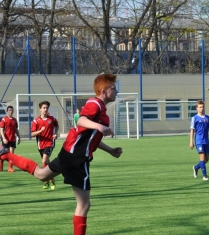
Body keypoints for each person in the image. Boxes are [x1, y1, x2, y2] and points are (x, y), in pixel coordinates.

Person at [0, 74, 123, 235]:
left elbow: (89, 138)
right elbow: (81, 120)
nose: (117, 91)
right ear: (103, 91)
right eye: (113, 88)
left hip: (69, 153)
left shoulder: (101, 108)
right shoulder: (95, 103)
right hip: (77, 158)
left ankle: (4, 154)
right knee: (84, 205)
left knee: (41, 174)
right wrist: (100, 127)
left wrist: (110, 150)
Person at [31, 101, 59, 189]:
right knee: (46, 162)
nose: (45, 109)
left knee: (44, 161)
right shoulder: (36, 121)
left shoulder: (52, 119)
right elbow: (32, 134)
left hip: (50, 143)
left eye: (47, 108)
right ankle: (49, 180)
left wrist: (55, 133)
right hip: (40, 144)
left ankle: (47, 180)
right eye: (44, 108)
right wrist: (40, 131)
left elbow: (57, 126)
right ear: (40, 109)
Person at [189, 100, 209, 181]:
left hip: (206, 141)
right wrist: (191, 141)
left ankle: (196, 167)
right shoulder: (194, 118)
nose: (202, 108)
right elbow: (192, 130)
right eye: (200, 107)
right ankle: (205, 176)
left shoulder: (207, 117)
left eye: (203, 107)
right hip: (199, 141)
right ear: (197, 108)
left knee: (206, 160)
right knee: (202, 158)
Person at [0, 105, 20, 172]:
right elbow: (1, 129)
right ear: (7, 111)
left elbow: (16, 129)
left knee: (11, 153)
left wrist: (19, 137)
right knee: (4, 153)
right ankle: (1, 164)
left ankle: (10, 168)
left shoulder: (14, 120)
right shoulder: (4, 119)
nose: (11, 111)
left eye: (12, 110)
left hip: (13, 139)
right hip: (6, 139)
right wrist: (3, 138)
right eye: (9, 110)